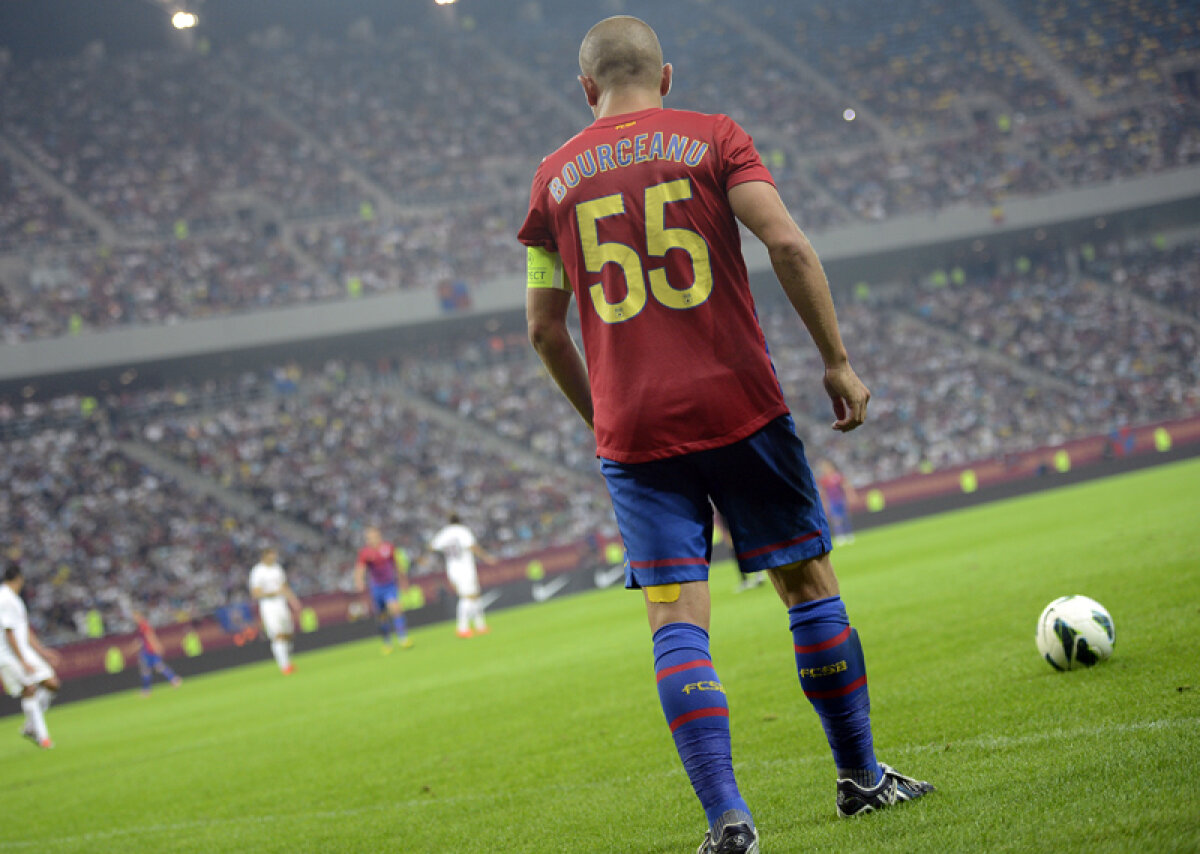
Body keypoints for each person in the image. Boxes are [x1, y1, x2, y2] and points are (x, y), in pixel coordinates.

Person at [518, 16, 932, 851]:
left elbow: (543, 330)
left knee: (677, 619)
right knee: (807, 584)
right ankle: (860, 778)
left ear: (586, 88)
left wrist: (604, 420)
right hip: (739, 404)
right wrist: (836, 361)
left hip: (636, 430)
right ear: (666, 76)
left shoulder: (552, 181)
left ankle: (729, 822)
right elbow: (785, 242)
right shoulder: (714, 137)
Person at [0, 563, 61, 749]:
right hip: (9, 654)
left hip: (24, 651)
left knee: (52, 683)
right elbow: (9, 632)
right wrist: (22, 660)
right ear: (19, 578)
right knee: (29, 689)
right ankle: (43, 738)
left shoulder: (14, 599)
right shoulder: (4, 599)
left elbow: (23, 630)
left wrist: (42, 651)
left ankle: (30, 726)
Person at [429, 513, 496, 638]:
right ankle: (462, 628)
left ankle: (480, 625)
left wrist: (445, 549)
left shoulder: (444, 533)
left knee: (474, 595)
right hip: (465, 568)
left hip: (452, 569)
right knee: (468, 597)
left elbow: (432, 546)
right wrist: (486, 557)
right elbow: (472, 546)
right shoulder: (462, 531)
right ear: (459, 520)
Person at [353, 527, 413, 652]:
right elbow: (360, 568)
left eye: (372, 537)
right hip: (376, 588)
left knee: (396, 609)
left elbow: (397, 564)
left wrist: (403, 580)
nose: (370, 540)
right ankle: (387, 642)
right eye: (368, 538)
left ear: (378, 536)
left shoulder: (388, 547)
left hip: (389, 585)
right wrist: (359, 582)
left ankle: (403, 638)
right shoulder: (365, 553)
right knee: (382, 616)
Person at [249, 547, 304, 674]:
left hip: (281, 604)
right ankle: (284, 666)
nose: (274, 558)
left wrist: (294, 601)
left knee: (288, 634)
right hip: (268, 606)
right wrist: (273, 593)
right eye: (271, 555)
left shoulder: (277, 569)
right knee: (277, 635)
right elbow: (255, 593)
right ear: (264, 556)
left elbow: (284, 587)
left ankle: (287, 660)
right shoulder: (258, 571)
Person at [131, 608, 183, 694]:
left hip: (148, 651)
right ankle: (174, 679)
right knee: (156, 667)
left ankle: (147, 690)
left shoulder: (143, 625)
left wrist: (156, 645)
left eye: (135, 617)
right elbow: (142, 640)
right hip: (146, 650)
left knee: (150, 669)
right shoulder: (140, 626)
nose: (134, 619)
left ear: (139, 616)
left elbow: (150, 636)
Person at [817, 459, 858, 546]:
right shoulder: (824, 480)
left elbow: (846, 486)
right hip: (832, 501)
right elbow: (823, 493)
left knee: (845, 517)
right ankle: (840, 536)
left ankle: (849, 534)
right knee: (836, 520)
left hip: (840, 499)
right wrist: (824, 504)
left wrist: (850, 495)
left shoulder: (838, 476)